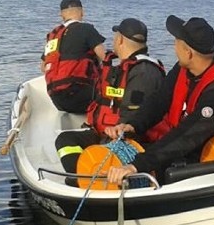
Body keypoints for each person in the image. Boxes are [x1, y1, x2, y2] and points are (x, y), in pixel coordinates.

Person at [104, 15, 214, 185]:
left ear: (188, 52)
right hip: (187, 146)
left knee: (151, 170)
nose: (173, 46)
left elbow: (187, 136)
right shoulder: (184, 69)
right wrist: (133, 125)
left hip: (213, 159)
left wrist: (136, 166)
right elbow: (159, 100)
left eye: (176, 42)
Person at [54, 18, 165, 182]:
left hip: (129, 139)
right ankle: (85, 176)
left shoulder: (144, 72)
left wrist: (108, 142)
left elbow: (132, 118)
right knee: (65, 141)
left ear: (120, 39)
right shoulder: (122, 67)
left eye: (115, 37)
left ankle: (89, 180)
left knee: (73, 173)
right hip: (106, 132)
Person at [42, 0, 106, 113]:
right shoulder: (87, 29)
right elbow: (105, 58)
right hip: (80, 95)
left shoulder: (53, 35)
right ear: (82, 12)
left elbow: (43, 67)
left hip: (56, 99)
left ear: (61, 15)